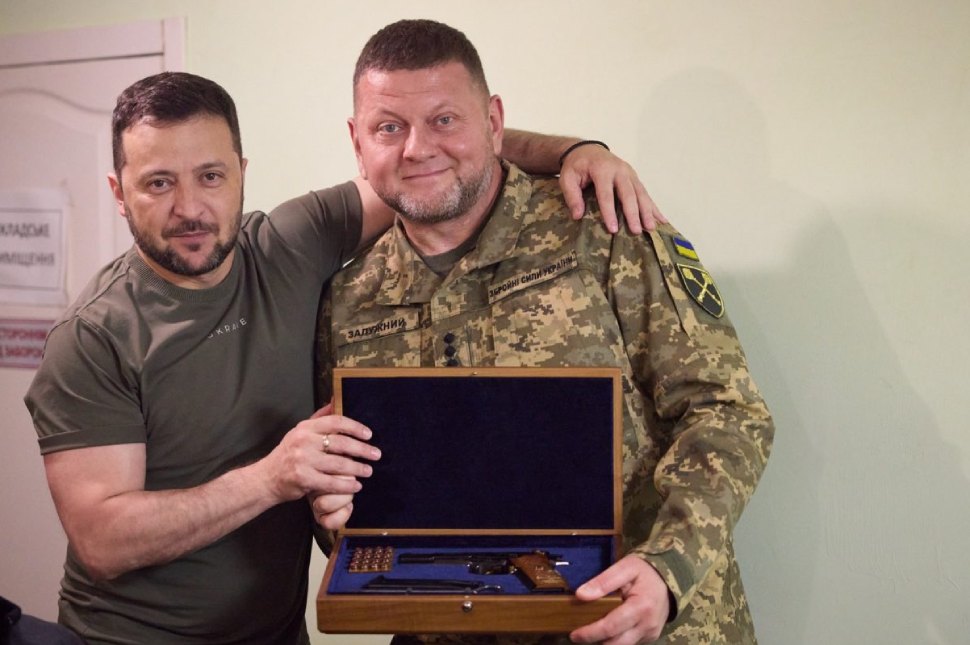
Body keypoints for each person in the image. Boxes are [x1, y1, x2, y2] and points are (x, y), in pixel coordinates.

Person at [22, 70, 662, 645]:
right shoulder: (93, 336)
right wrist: (272, 478)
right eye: (158, 183)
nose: (189, 208)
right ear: (119, 191)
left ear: (241, 171)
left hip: (276, 632)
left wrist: (577, 151)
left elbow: (428, 160)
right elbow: (103, 541)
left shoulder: (289, 245)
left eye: (210, 176)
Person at [315, 19, 774, 645]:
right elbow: (345, 489)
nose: (417, 148)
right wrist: (333, 512)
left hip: (638, 623)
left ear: (494, 122)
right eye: (388, 127)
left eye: (445, 119)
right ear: (356, 140)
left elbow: (726, 410)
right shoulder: (346, 301)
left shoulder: (606, 227)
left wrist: (668, 567)